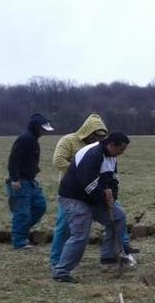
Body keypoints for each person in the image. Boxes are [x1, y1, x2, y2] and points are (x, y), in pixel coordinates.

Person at [52, 132, 131, 283]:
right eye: (121, 149)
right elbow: (88, 185)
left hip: (93, 197)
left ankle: (108, 255)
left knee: (118, 217)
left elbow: (113, 179)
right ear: (112, 145)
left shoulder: (112, 156)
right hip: (74, 197)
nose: (122, 153)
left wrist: (113, 196)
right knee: (81, 233)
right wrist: (103, 198)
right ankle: (61, 271)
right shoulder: (93, 154)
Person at [48, 114, 120, 268]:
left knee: (117, 217)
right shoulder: (68, 141)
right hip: (73, 193)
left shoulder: (101, 148)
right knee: (64, 226)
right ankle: (57, 260)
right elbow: (58, 161)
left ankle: (119, 251)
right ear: (87, 132)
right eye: (95, 135)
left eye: (101, 136)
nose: (98, 139)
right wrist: (80, 171)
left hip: (96, 191)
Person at [5, 113, 54, 249]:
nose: (44, 132)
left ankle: (19, 231)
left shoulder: (33, 140)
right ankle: (19, 241)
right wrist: (15, 179)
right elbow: (13, 160)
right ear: (36, 127)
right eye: (43, 129)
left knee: (40, 206)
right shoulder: (24, 139)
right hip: (20, 182)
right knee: (22, 213)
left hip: (31, 182)